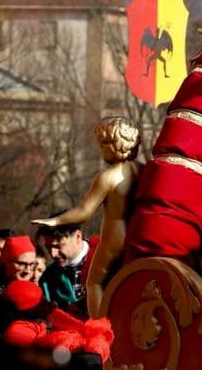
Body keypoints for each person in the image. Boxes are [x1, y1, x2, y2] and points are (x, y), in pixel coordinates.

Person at [32, 115, 142, 317]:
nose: (101, 151)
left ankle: (100, 327)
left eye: (103, 145)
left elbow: (84, 212)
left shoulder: (108, 176)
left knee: (95, 283)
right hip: (138, 233)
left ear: (113, 144)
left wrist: (56, 220)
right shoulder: (143, 170)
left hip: (115, 237)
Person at [34, 222, 97, 318]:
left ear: (78, 237)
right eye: (48, 247)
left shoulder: (105, 261)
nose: (53, 254)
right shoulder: (48, 278)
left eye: (58, 246)